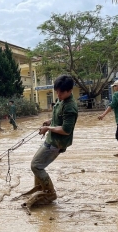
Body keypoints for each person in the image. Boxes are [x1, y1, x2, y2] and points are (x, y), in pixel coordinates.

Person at [22, 75, 78, 209]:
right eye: (56, 90)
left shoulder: (70, 107)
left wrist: (47, 128)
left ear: (69, 91)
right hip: (51, 139)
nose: (58, 94)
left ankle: (50, 194)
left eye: (61, 92)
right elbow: (58, 118)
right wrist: (49, 122)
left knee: (36, 166)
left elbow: (66, 130)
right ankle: (40, 188)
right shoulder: (61, 100)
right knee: (37, 163)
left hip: (56, 143)